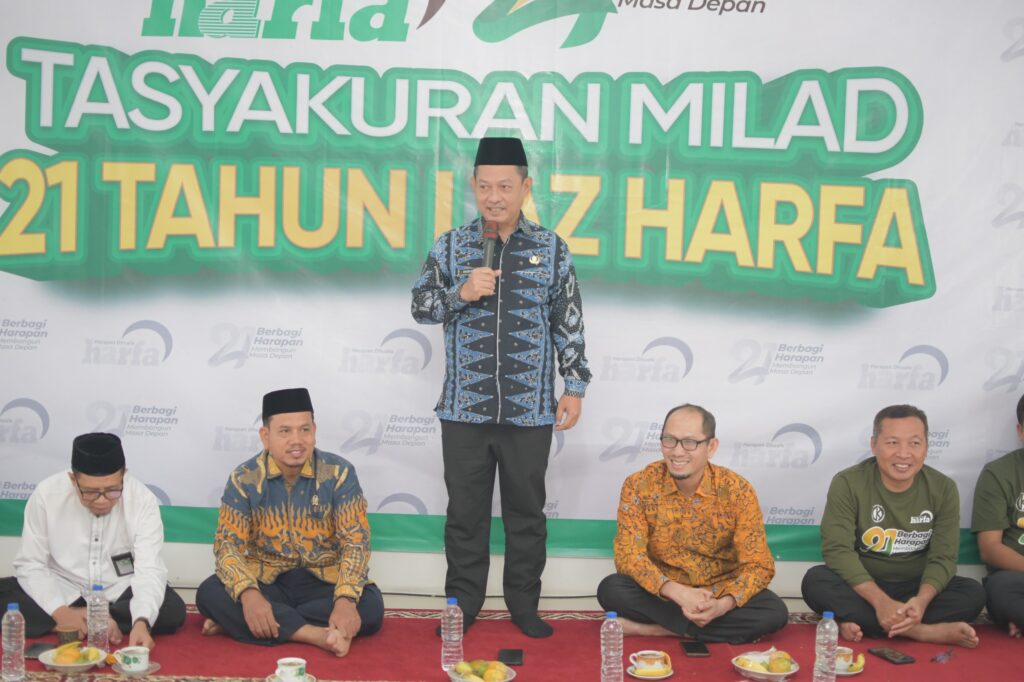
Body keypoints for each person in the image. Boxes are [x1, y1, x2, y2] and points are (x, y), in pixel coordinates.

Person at [410, 137, 591, 638]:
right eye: (485, 186)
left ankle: (524, 607)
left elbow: (568, 320)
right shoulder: (450, 245)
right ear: (473, 185)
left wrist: (574, 385)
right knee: (464, 518)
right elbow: (421, 307)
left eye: (505, 187)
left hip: (529, 412)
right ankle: (462, 607)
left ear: (525, 187)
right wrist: (461, 292)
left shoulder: (550, 248)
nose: (494, 197)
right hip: (463, 412)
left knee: (526, 517)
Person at [195, 388, 384, 656]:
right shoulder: (244, 478)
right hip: (267, 582)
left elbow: (356, 541)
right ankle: (315, 634)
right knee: (208, 593)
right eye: (284, 431)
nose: (297, 440)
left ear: (314, 431)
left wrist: (345, 599)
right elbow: (227, 546)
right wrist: (249, 595)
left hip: (325, 582)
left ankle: (253, 623)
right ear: (266, 436)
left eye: (304, 430)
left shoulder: (339, 473)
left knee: (371, 608)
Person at [596, 404, 788, 643]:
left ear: (711, 447)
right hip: (665, 594)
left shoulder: (737, 490)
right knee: (612, 589)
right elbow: (628, 556)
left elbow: (759, 565)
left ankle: (657, 629)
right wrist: (677, 592)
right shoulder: (639, 484)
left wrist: (722, 605)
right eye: (669, 440)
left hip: (719, 592)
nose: (677, 452)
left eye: (689, 443)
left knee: (774, 612)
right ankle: (701, 629)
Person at [802, 404, 985, 647]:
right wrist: (881, 602)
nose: (904, 454)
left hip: (915, 588)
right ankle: (922, 632)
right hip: (863, 587)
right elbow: (837, 551)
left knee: (972, 593)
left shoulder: (943, 488)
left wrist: (921, 601)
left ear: (926, 448)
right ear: (873, 445)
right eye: (892, 443)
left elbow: (944, 557)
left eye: (914, 443)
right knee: (815, 581)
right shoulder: (847, 482)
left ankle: (861, 622)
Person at [0, 432, 185, 648]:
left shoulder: (142, 500)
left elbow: (149, 569)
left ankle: (84, 620)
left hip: (117, 592)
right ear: (73, 480)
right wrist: (61, 612)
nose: (102, 500)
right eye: (90, 492)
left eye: (113, 490)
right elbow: (31, 564)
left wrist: (142, 621)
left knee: (172, 609)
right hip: (65, 588)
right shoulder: (46, 495)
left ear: (124, 476)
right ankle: (75, 618)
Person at [971, 393, 1024, 637]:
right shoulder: (999, 473)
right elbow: (990, 549)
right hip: (1019, 576)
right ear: (1020, 431)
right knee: (1000, 589)